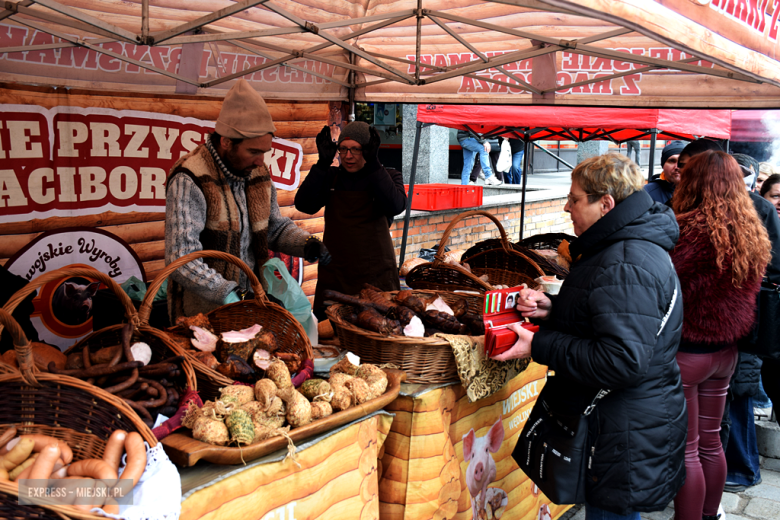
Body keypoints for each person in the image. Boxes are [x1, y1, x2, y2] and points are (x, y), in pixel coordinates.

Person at [494, 153, 686, 519]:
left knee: (611, 514)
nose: (567, 207)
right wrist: (554, 309)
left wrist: (538, 343)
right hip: (624, 421)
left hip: (622, 426)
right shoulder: (620, 248)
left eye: (575, 199)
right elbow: (609, 316)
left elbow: (620, 360)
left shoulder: (626, 259)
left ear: (606, 204)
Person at [164, 79, 331, 321]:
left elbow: (274, 227)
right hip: (199, 315)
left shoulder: (257, 173)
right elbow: (181, 257)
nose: (260, 161)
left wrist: (309, 243)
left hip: (250, 302)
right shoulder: (190, 178)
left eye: (264, 152)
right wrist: (229, 293)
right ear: (226, 142)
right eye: (253, 152)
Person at [670, 151, 771, 520]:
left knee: (687, 449)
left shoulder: (685, 230)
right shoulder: (750, 229)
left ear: (694, 182)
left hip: (687, 353)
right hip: (726, 353)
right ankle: (710, 515)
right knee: (711, 443)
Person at [295, 121, 406, 318]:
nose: (348, 156)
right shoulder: (331, 176)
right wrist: (322, 164)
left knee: (378, 329)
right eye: (343, 149)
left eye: (356, 149)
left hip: (376, 277)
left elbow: (395, 205)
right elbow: (304, 204)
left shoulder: (387, 176)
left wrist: (374, 165)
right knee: (329, 332)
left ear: (369, 150)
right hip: (335, 274)